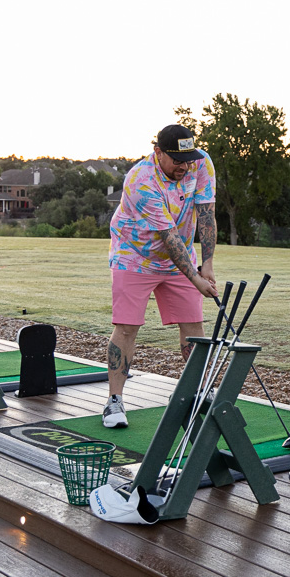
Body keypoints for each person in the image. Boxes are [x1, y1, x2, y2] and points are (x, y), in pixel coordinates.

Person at [103, 124, 219, 428]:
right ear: (158, 152)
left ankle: (198, 392)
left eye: (188, 159)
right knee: (127, 327)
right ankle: (114, 402)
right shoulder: (140, 180)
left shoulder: (200, 163)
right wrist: (196, 279)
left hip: (180, 256)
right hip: (134, 255)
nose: (184, 167)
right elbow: (168, 237)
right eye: (177, 160)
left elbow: (206, 213)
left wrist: (207, 264)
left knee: (193, 326)